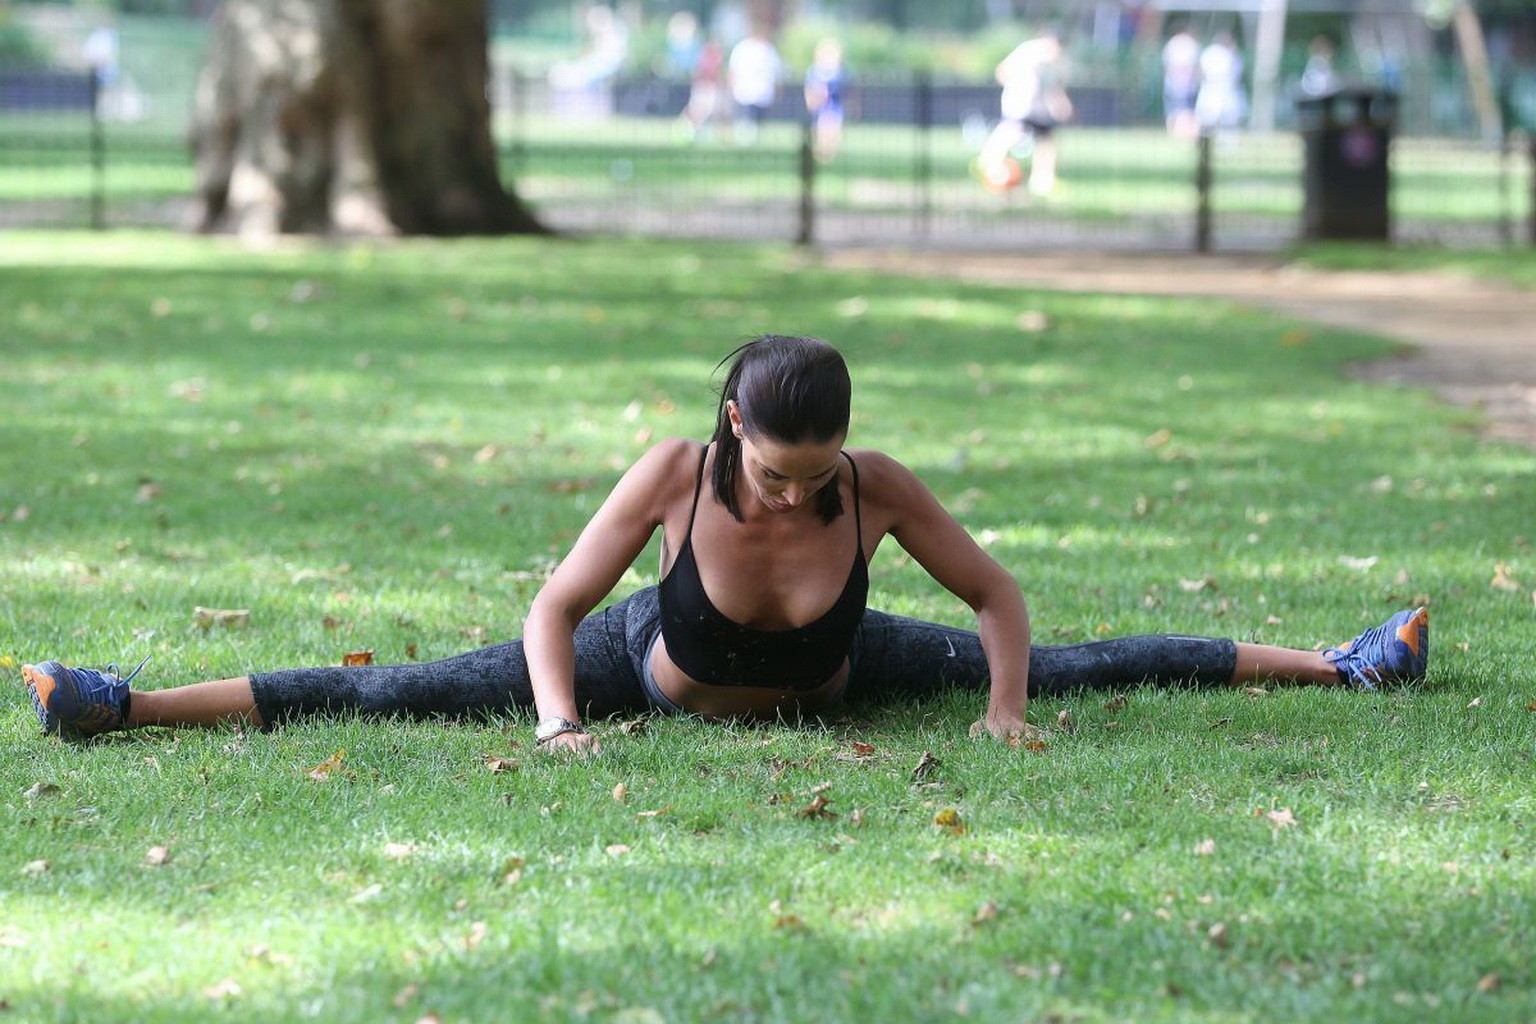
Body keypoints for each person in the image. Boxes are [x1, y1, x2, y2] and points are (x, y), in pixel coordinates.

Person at [22, 336, 1430, 754]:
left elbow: (999, 596)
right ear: (731, 432)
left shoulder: (872, 486)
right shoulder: (672, 475)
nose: (793, 496)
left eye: (816, 477)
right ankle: (120, 703)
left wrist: (1001, 707)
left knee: (1079, 666)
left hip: (841, 666)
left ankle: (1353, 666)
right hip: (651, 663)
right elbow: (550, 608)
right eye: (774, 469)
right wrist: (566, 723)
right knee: (397, 688)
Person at [976, 29, 1072, 197]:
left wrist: (1062, 107)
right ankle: (990, 167)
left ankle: (1042, 181)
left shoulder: (1056, 62)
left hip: (1041, 110)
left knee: (1047, 142)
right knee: (1009, 134)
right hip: (1021, 105)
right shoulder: (1027, 52)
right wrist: (1020, 84)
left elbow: (1055, 89)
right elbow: (1002, 71)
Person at [727, 27, 782, 143]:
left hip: (762, 94)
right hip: (745, 93)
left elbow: (776, 73)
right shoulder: (742, 48)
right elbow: (733, 71)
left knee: (760, 125)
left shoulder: (768, 49)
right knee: (745, 124)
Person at [1195, 29, 1247, 138]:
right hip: (1214, 90)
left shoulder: (1232, 54)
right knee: (1209, 119)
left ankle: (1219, 141)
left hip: (1224, 91)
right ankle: (1207, 142)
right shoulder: (1214, 53)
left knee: (1226, 120)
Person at [803, 37, 848, 163]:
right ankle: (821, 154)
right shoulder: (815, 71)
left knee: (834, 130)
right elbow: (810, 89)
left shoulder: (840, 72)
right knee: (821, 131)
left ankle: (830, 154)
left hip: (834, 107)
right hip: (821, 107)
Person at [1161, 21, 1201, 140]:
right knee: (1178, 110)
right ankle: (1177, 133)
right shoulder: (1179, 44)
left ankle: (1182, 133)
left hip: (1183, 84)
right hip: (1179, 84)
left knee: (1183, 110)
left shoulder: (1181, 44)